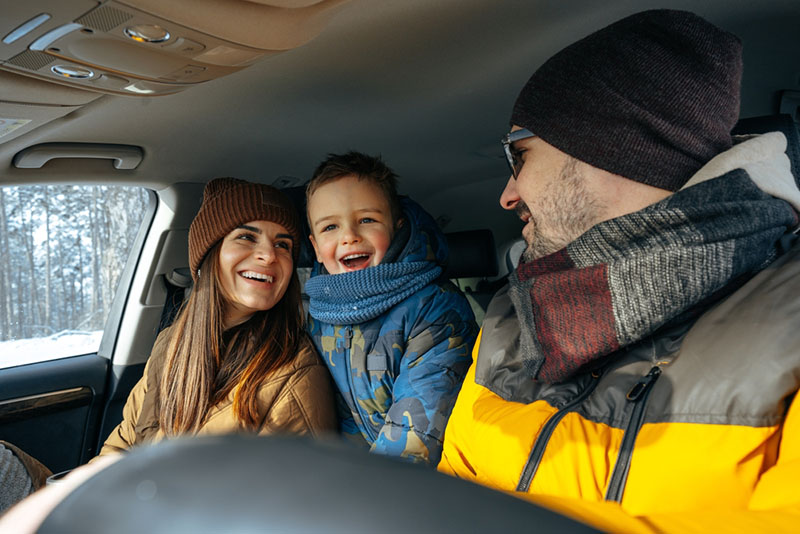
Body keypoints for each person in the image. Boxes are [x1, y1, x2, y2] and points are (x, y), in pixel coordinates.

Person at [438, 9, 800, 532]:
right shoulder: (509, 320)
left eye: (519, 156)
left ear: (602, 148)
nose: (507, 194)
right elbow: (451, 486)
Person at [1, 178, 337, 512]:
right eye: (246, 237)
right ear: (209, 253)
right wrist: (87, 497)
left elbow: (281, 511)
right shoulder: (171, 344)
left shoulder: (294, 376)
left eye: (284, 245)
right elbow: (124, 444)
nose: (268, 255)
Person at [304, 151, 478, 465]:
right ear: (315, 247)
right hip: (354, 476)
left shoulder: (435, 308)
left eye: (367, 220)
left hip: (425, 482)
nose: (349, 236)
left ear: (396, 227)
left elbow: (418, 434)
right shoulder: (319, 313)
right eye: (330, 227)